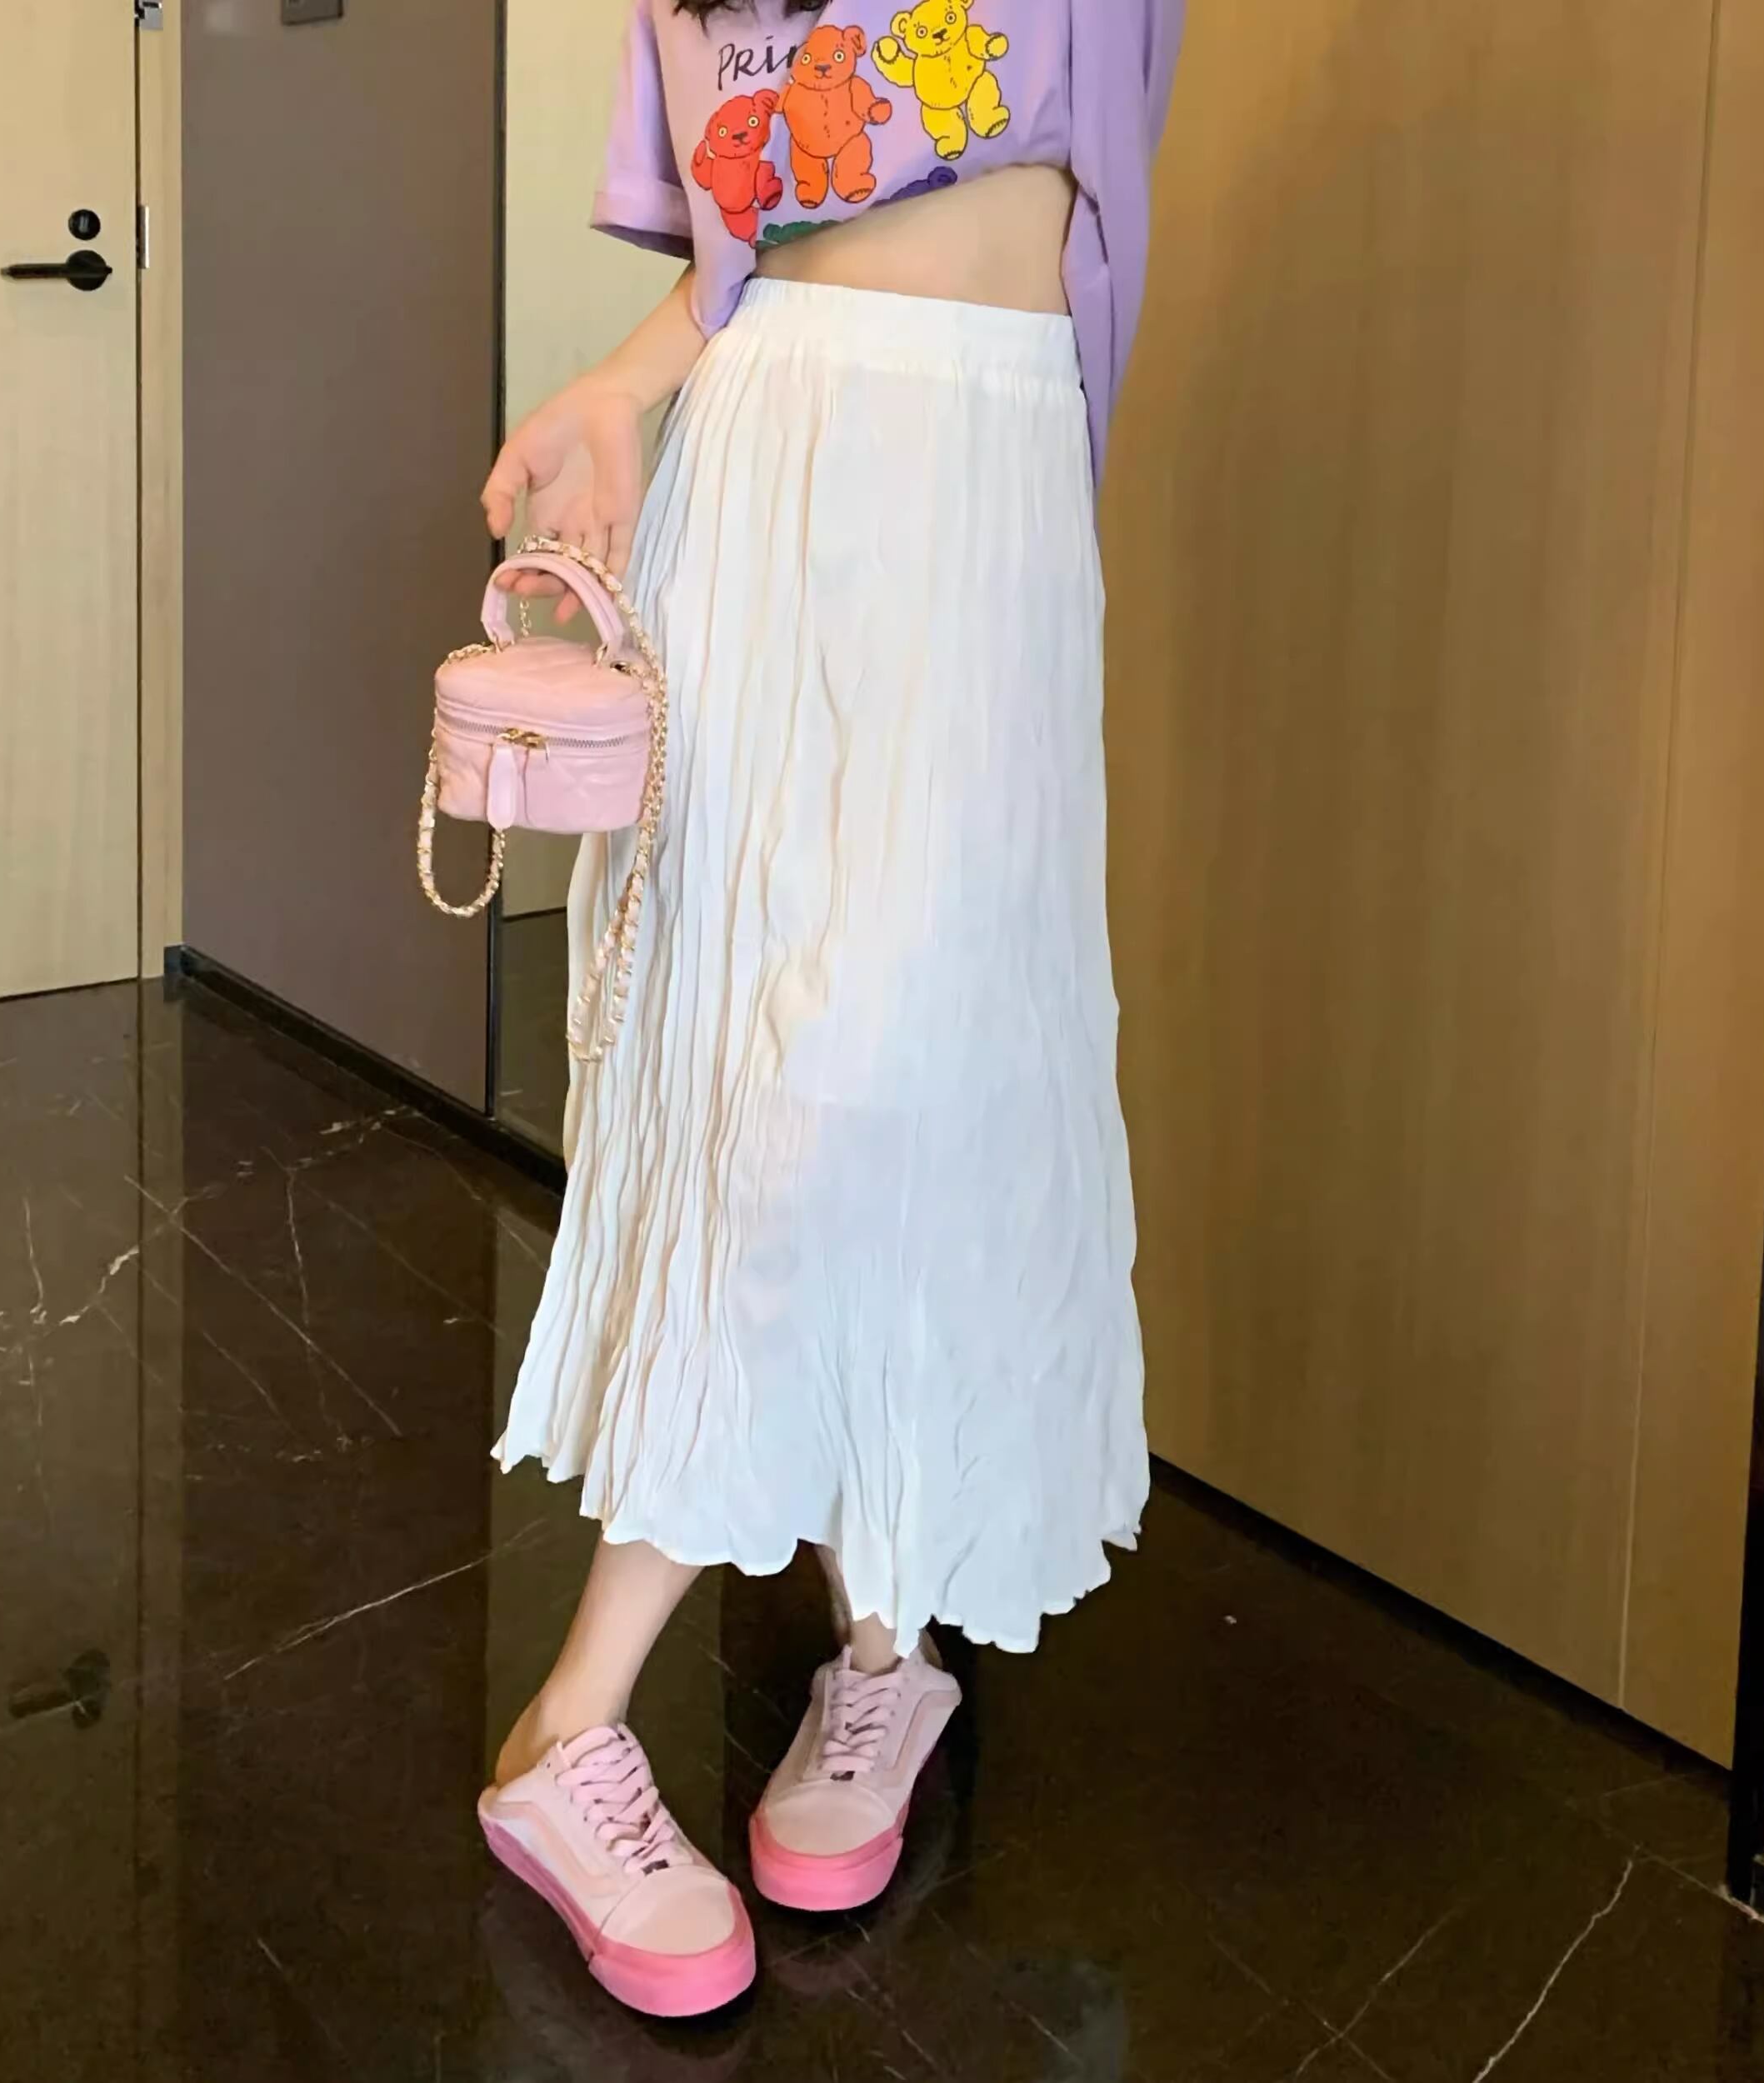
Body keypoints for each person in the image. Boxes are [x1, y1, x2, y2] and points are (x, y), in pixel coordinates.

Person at [477, 0, 1183, 2019]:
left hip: (994, 469)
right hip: (775, 457)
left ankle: (888, 1635)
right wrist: (620, 387)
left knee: (939, 1062)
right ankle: (565, 1726)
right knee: (773, 1077)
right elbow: (747, 236)